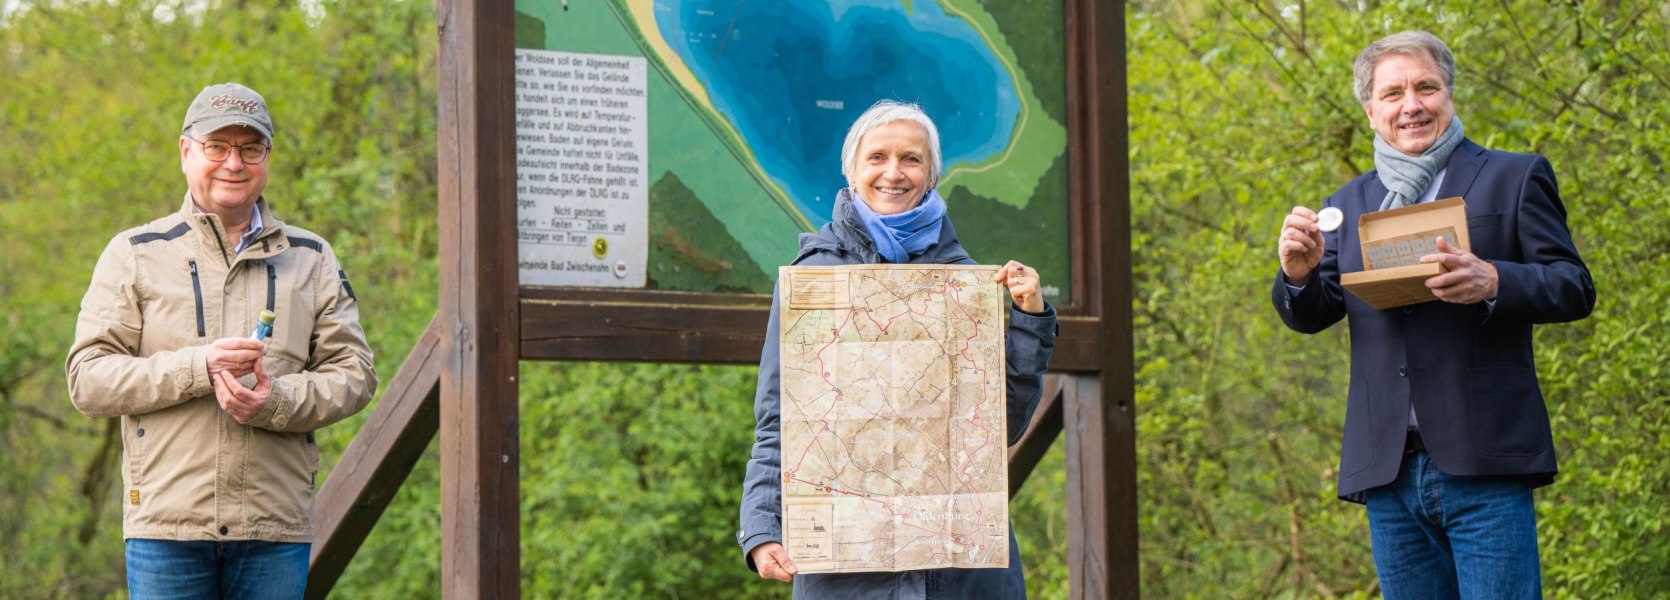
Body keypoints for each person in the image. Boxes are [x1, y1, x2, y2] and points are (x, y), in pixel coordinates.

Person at [1272, 31, 1594, 598]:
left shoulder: (1514, 176)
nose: (1411, 105)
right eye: (1392, 93)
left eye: (1426, 87)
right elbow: (1312, 313)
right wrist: (1297, 274)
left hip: (1486, 462)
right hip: (1388, 469)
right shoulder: (1347, 203)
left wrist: (1494, 280)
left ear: (1449, 95)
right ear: (1370, 112)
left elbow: (1574, 286)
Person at [66, 82, 377, 599]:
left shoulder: (312, 257)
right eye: (217, 147)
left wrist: (274, 401)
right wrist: (197, 368)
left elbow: (356, 374)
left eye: (250, 148)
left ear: (267, 157)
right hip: (167, 529)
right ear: (186, 151)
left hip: (273, 528)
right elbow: (87, 380)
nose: (234, 162)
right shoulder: (134, 253)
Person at [736, 100, 1058, 598]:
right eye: (877, 157)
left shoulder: (965, 283)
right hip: (846, 576)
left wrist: (1029, 320)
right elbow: (779, 420)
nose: (894, 172)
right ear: (852, 171)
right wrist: (761, 528)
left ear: (931, 175)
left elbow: (1002, 428)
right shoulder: (810, 279)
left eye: (911, 159)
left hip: (960, 575)